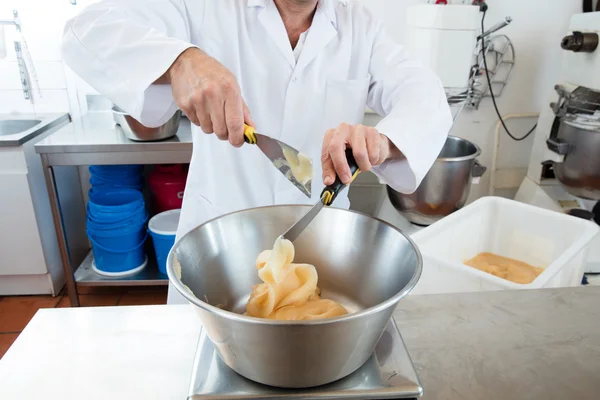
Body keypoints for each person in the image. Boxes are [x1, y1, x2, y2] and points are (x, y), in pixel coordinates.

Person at [62, 0, 452, 304]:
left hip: (321, 247)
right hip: (217, 248)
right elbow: (86, 29)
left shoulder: (361, 25)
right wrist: (180, 61)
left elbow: (424, 92)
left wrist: (382, 141)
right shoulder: (203, 7)